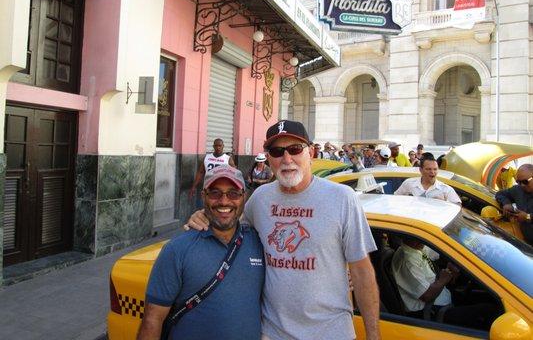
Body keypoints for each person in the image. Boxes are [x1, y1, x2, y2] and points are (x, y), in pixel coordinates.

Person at [187, 120, 381, 340]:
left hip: (332, 332)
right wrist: (204, 216)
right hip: (273, 333)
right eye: (277, 151)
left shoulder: (342, 198)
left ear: (311, 152)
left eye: (295, 149)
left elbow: (362, 272)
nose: (287, 159)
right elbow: (229, 229)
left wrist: (373, 336)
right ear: (268, 157)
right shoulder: (260, 199)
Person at [138, 166, 264, 340]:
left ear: (244, 198)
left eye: (234, 193)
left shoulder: (259, 242)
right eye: (215, 193)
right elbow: (153, 319)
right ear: (203, 196)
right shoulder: (177, 250)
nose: (224, 201)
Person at [391, 237, 497, 330]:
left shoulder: (417, 249)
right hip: (433, 312)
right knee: (488, 311)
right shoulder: (407, 261)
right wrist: (443, 279)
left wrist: (451, 270)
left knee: (485, 298)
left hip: (443, 300)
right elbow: (427, 295)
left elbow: (441, 249)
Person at [394, 157, 462, 204]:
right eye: (428, 169)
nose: (432, 172)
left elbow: (458, 206)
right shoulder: (408, 184)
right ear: (421, 170)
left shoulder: (445, 189)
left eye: (435, 169)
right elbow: (395, 200)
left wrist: (444, 204)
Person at [495, 163, 533, 244]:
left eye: (525, 182)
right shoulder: (518, 190)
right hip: (526, 243)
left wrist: (528, 216)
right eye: (518, 182)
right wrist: (506, 203)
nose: (522, 185)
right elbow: (500, 194)